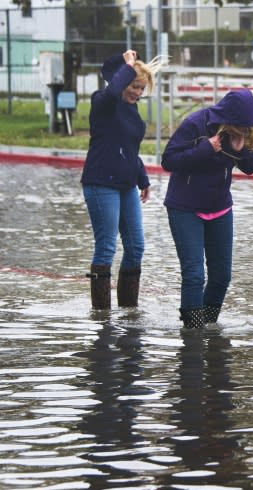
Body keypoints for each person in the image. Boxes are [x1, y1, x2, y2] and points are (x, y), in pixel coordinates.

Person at [161, 88, 253, 329]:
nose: (245, 132)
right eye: (241, 127)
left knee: (221, 277)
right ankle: (193, 333)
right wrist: (206, 149)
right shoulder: (196, 124)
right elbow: (169, 160)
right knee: (195, 275)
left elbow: (251, 166)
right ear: (228, 119)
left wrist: (241, 151)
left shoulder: (245, 134)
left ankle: (207, 326)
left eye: (248, 128)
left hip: (220, 208)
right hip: (185, 207)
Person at [81, 50, 164, 310]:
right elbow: (112, 89)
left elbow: (130, 148)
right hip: (100, 183)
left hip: (126, 185)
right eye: (134, 87)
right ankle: (101, 314)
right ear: (122, 80)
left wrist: (143, 179)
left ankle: (128, 310)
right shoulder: (103, 102)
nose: (138, 93)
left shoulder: (132, 110)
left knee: (136, 247)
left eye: (141, 88)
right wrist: (128, 66)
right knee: (106, 247)